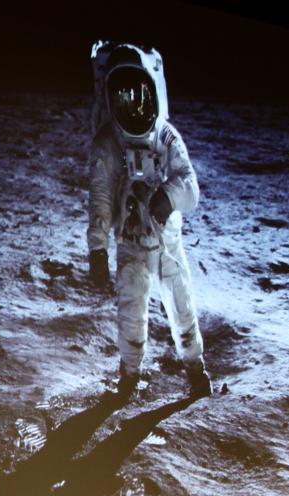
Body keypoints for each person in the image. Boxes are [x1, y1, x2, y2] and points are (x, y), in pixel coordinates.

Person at [87, 40, 212, 400]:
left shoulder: (166, 136)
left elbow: (190, 186)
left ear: (151, 90)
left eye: (139, 92)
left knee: (181, 304)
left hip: (166, 243)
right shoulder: (108, 142)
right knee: (131, 311)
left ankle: (195, 368)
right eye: (122, 95)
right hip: (130, 244)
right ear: (111, 96)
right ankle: (129, 375)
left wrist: (166, 196)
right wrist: (97, 248)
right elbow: (100, 197)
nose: (133, 103)